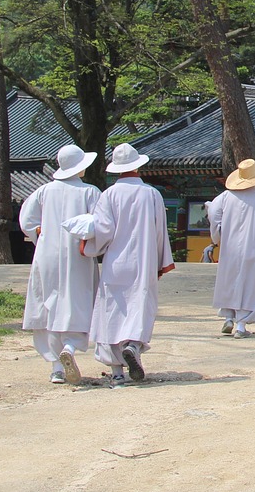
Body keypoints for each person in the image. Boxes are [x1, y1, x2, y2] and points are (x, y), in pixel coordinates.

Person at [83, 143, 175, 385]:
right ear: (139, 166)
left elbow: (103, 230)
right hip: (143, 261)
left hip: (116, 261)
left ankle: (116, 373)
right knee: (139, 305)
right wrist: (160, 262)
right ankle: (133, 345)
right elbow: (159, 232)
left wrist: (89, 246)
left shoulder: (108, 195)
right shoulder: (152, 194)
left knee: (112, 310)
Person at [19, 144, 100, 385]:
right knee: (78, 299)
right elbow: (100, 223)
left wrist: (40, 234)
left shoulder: (44, 191)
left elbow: (26, 220)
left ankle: (55, 366)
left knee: (48, 302)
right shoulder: (90, 192)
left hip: (47, 254)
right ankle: (71, 347)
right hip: (78, 254)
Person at [210, 158, 255, 338]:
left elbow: (213, 214)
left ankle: (228, 317)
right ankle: (241, 326)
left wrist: (218, 236)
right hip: (254, 248)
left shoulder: (224, 198)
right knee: (250, 285)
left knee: (230, 282)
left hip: (229, 249)